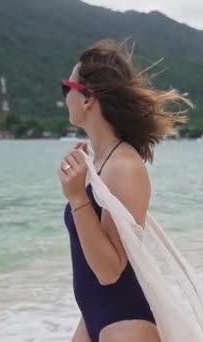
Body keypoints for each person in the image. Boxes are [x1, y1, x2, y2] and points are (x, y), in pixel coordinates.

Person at [57, 39, 189, 342]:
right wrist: (87, 178)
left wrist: (77, 197)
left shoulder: (125, 167)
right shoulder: (101, 163)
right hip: (94, 315)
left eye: (67, 88)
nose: (65, 98)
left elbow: (110, 270)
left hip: (126, 321)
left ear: (87, 98)